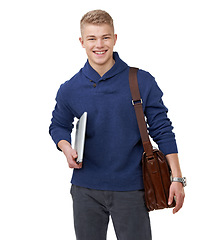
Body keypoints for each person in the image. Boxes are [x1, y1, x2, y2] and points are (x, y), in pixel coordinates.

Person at [49, 9, 185, 240]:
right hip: (85, 189)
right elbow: (58, 125)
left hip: (132, 187)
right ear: (82, 42)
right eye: (92, 38)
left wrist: (177, 178)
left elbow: (162, 129)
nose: (99, 44)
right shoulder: (69, 88)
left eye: (105, 37)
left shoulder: (141, 80)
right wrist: (65, 147)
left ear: (115, 38)